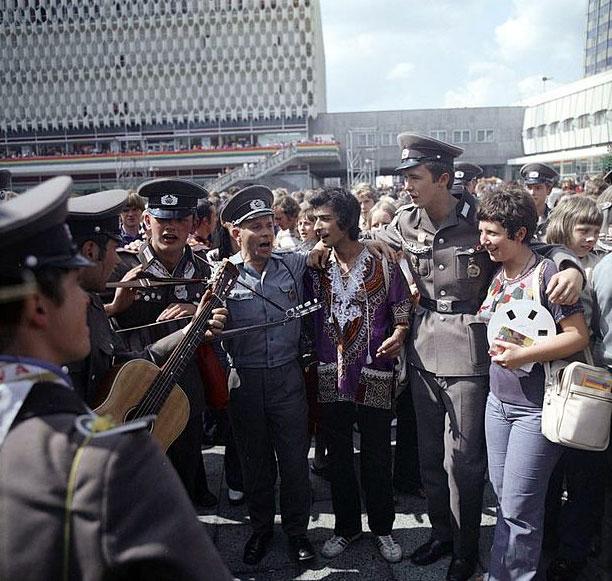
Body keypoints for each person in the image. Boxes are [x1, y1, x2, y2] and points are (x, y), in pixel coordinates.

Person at [0, 176, 233, 581]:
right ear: (38, 308)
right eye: (75, 285)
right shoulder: (105, 460)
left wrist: (190, 329)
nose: (92, 302)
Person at [374, 133, 584, 581]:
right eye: (404, 178)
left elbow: (540, 247)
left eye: (414, 177)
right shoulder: (406, 221)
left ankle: (466, 550)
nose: (406, 186)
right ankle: (441, 535)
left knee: (464, 461)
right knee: (430, 457)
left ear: (444, 179)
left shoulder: (478, 218)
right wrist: (320, 250)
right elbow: (368, 239)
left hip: (472, 351)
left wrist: (572, 267)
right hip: (423, 345)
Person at [476, 187, 589, 581]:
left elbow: (577, 336)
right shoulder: (498, 269)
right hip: (498, 403)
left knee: (521, 511)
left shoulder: (549, 274)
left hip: (534, 408)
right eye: (482, 230)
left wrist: (522, 355)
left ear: (521, 234)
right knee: (506, 502)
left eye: (492, 233)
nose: (483, 241)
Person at [306, 187, 413, 563]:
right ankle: (346, 528)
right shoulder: (315, 265)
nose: (316, 226)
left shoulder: (382, 262)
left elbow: (401, 304)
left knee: (377, 455)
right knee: (337, 456)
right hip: (330, 371)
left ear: (347, 221)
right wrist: (312, 251)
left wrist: (399, 333)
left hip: (376, 372)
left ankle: (383, 528)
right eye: (314, 218)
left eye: (323, 219)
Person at [220, 184, 315, 565]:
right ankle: (260, 530)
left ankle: (297, 532)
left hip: (287, 381)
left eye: (270, 225)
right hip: (244, 381)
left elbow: (328, 250)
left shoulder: (290, 264)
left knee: (294, 463)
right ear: (235, 233)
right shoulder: (223, 275)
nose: (265, 234)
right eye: (255, 227)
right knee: (255, 464)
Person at [112, 178, 218, 511]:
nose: (170, 227)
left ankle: (190, 499)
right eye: (162, 219)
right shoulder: (122, 265)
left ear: (192, 224)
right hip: (136, 375)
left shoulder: (203, 268)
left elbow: (220, 311)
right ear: (147, 222)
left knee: (187, 440)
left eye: (179, 220)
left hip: (186, 373)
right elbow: (97, 323)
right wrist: (118, 305)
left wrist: (196, 311)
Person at [544, 196, 607, 581]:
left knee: (585, 471)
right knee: (550, 471)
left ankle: (575, 548)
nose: (591, 237)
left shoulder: (600, 264)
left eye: (596, 230)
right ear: (565, 226)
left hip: (588, 381)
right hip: (549, 380)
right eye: (584, 229)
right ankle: (552, 538)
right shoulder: (551, 260)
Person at [520, 162, 559, 241]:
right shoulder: (517, 216)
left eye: (538, 188)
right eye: (529, 187)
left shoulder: (556, 219)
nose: (532, 192)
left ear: (549, 190)